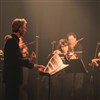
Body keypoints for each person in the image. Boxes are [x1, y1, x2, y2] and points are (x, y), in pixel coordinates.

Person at [3, 18, 44, 100]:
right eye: (24, 28)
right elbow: (17, 61)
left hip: (13, 79)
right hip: (12, 79)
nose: (25, 30)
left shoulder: (14, 41)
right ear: (20, 28)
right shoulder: (12, 41)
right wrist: (29, 60)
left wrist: (35, 65)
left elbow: (19, 60)